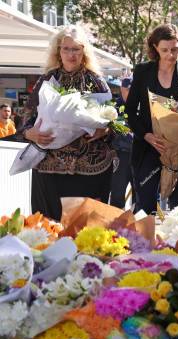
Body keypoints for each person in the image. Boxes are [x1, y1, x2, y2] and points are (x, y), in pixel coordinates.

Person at [22, 25, 113, 221]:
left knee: (85, 233)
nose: (71, 54)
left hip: (89, 169)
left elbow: (117, 123)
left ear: (84, 52)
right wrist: (31, 134)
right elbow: (26, 119)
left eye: (76, 49)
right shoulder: (47, 79)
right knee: (48, 230)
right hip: (48, 168)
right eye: (66, 49)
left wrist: (104, 130)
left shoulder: (96, 81)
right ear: (58, 51)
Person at [125, 23, 178, 214]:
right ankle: (143, 244)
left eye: (175, 49)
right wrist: (147, 135)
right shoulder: (142, 72)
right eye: (165, 50)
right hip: (148, 148)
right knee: (144, 210)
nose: (170, 55)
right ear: (155, 48)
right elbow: (130, 110)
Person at [109, 76, 134, 209]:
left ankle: (139, 225)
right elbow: (117, 131)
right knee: (117, 192)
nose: (130, 92)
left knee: (140, 194)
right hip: (120, 155)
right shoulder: (113, 108)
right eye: (127, 89)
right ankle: (116, 224)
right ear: (122, 89)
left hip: (137, 156)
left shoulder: (140, 106)